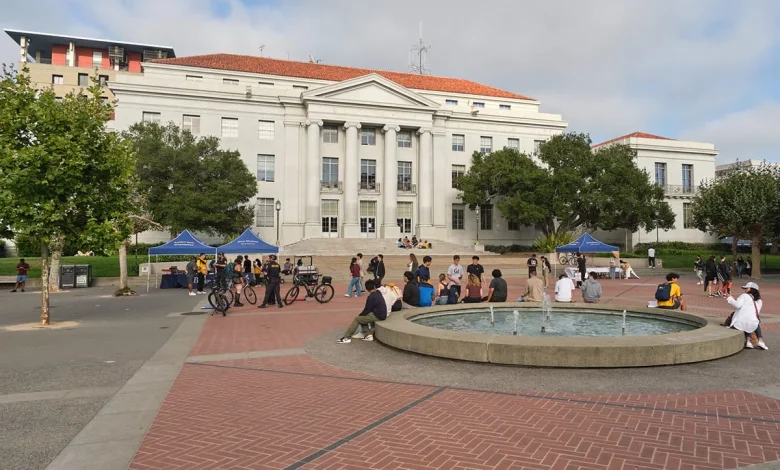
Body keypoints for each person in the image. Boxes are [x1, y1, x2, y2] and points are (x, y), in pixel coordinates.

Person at [337, 279, 387, 343]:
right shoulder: (378, 292)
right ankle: (368, 335)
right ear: (374, 287)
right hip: (382, 314)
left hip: (378, 316)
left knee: (358, 319)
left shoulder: (371, 297)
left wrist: (359, 315)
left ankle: (347, 337)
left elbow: (367, 309)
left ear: (367, 289)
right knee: (362, 318)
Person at [727, 282, 767, 350]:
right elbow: (754, 311)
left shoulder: (744, 296)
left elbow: (738, 305)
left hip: (739, 322)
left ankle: (748, 341)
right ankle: (760, 340)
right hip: (753, 322)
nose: (745, 290)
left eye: (746, 288)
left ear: (752, 289)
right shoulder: (759, 300)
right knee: (751, 322)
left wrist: (730, 298)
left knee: (746, 322)